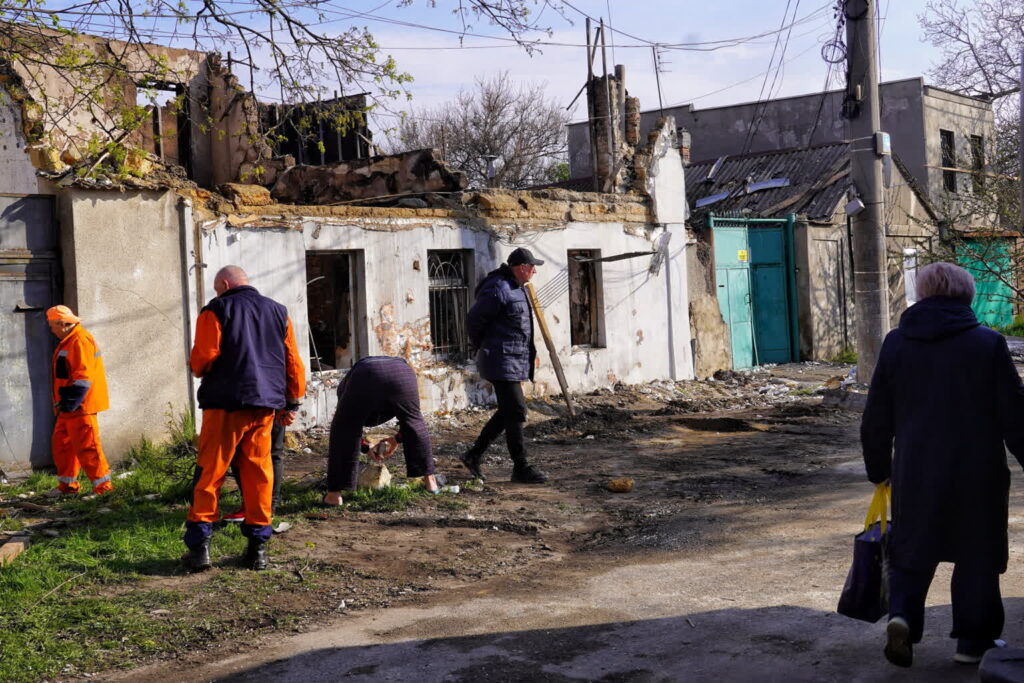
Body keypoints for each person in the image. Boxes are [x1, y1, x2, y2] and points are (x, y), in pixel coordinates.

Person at [861, 262, 1024, 668]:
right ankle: (973, 643)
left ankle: (902, 618)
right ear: (967, 295)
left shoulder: (897, 344)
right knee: (977, 554)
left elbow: (877, 414)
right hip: (977, 471)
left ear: (924, 294)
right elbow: (1015, 415)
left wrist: (879, 466)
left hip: (915, 469)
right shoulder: (987, 343)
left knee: (912, 550)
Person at [184, 266, 305, 571]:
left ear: (224, 284)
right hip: (264, 407)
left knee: (210, 473)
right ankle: (258, 550)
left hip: (225, 405)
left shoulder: (216, 309)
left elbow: (204, 358)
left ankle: (199, 549)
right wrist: (293, 400)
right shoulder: (278, 311)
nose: (216, 293)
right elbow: (293, 360)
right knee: (258, 474)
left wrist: (195, 364)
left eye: (216, 288)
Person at [461, 247, 547, 484]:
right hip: (500, 359)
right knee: (517, 411)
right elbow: (474, 320)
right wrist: (482, 346)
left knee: (509, 411)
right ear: (521, 268)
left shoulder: (516, 288)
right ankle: (521, 467)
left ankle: (473, 455)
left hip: (511, 359)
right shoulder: (499, 288)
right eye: (532, 267)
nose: (534, 271)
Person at [323, 356, 438, 506]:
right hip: (403, 373)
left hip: (367, 374)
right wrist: (396, 439)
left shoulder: (346, 389)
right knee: (414, 421)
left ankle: (334, 496)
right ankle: (431, 483)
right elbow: (410, 426)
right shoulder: (398, 371)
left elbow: (348, 430)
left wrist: (363, 445)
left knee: (343, 427)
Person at [45, 305, 114, 496]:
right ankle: (67, 486)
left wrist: (72, 401)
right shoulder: (70, 340)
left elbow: (83, 377)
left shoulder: (79, 340)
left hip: (80, 406)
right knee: (62, 445)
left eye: (52, 326)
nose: (51, 330)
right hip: (69, 406)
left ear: (62, 324)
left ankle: (103, 489)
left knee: (87, 447)